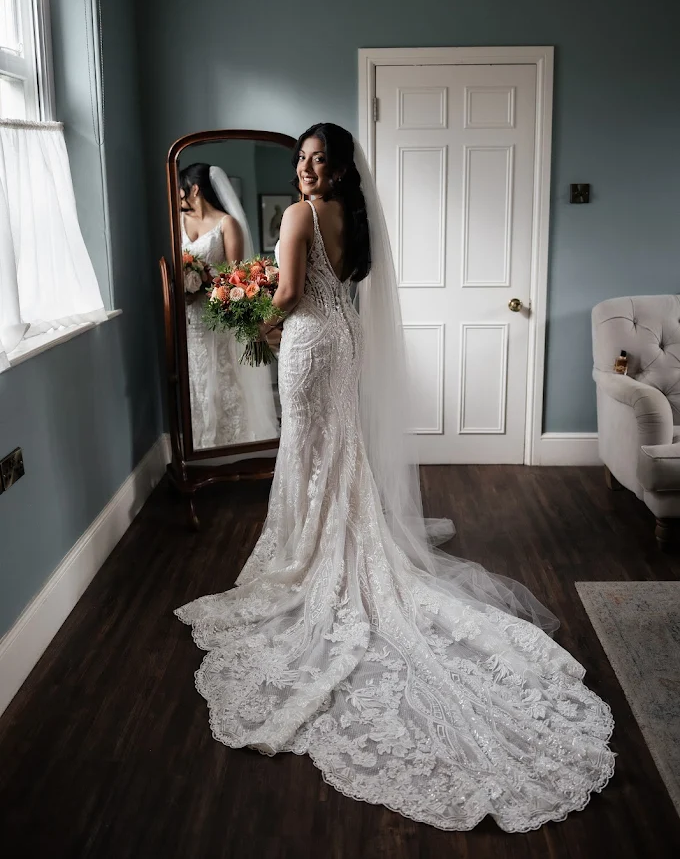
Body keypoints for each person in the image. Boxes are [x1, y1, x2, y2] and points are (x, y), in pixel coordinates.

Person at [175, 126, 614, 832]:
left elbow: (287, 292)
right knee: (334, 450)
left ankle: (313, 552)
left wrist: (254, 321)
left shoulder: (294, 216)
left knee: (312, 452)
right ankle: (334, 536)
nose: (309, 169)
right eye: (303, 160)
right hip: (343, 341)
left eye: (321, 160)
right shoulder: (354, 217)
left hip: (312, 345)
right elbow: (332, 284)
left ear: (340, 167)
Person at [179, 162, 278, 449]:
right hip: (187, 318)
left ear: (195, 189)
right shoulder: (179, 221)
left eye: (182, 190)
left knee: (222, 375)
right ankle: (198, 442)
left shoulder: (227, 224)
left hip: (217, 315)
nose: (179, 197)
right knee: (195, 379)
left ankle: (232, 443)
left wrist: (201, 284)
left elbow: (235, 277)